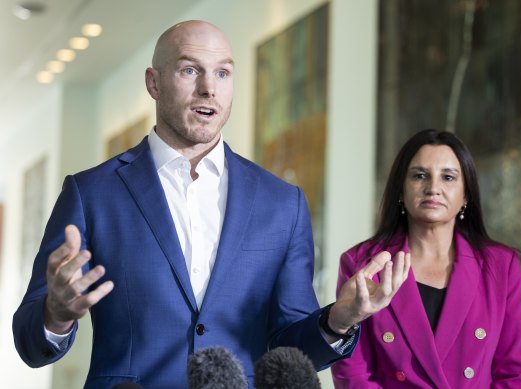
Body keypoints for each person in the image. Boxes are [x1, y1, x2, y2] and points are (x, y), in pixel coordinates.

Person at [12, 20, 410, 389]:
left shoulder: (282, 202)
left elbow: (290, 348)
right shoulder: (91, 193)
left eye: (223, 72)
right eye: (190, 70)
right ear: (154, 82)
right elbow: (29, 345)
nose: (209, 89)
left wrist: (339, 320)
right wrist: (57, 314)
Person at [331, 129, 521, 388]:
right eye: (420, 176)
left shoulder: (501, 266)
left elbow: (516, 373)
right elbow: (353, 373)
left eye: (448, 177)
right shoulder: (361, 262)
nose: (433, 188)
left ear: (465, 196)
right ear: (401, 190)